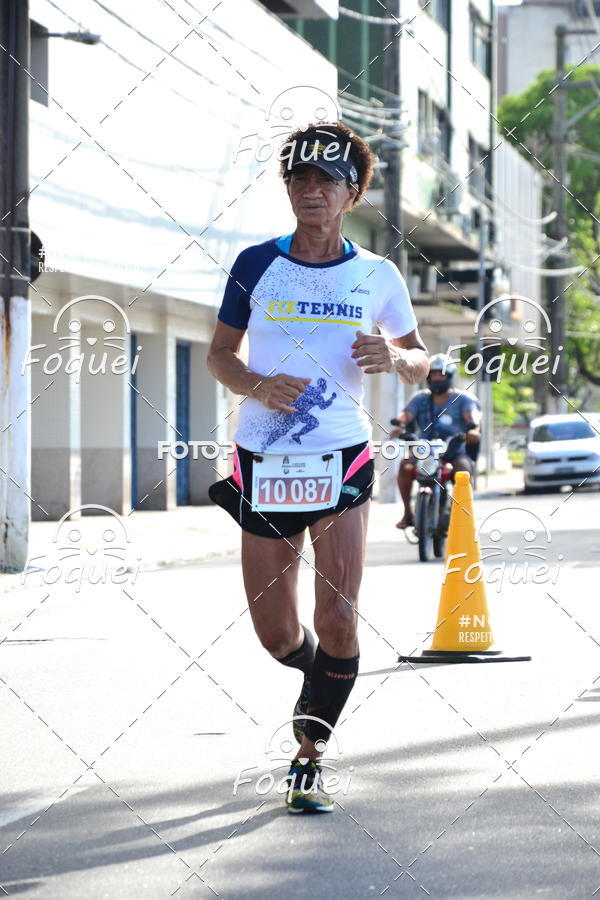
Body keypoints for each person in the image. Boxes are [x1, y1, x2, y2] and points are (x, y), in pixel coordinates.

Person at [207, 122, 428, 813]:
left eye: (327, 180)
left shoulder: (378, 274)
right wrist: (256, 385)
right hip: (264, 458)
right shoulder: (255, 264)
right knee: (277, 636)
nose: (312, 190)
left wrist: (396, 358)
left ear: (352, 193)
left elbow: (420, 360)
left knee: (337, 616)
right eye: (299, 178)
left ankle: (308, 755)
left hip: (342, 455)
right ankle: (322, 677)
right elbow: (219, 355)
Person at [391, 353, 481, 529]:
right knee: (405, 465)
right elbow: (406, 414)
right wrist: (399, 425)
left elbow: (472, 417)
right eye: (433, 374)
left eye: (442, 374)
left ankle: (462, 516)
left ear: (450, 376)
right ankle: (408, 514)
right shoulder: (420, 398)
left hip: (454, 449)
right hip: (424, 449)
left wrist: (473, 430)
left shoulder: (464, 399)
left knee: (463, 469)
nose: (437, 378)